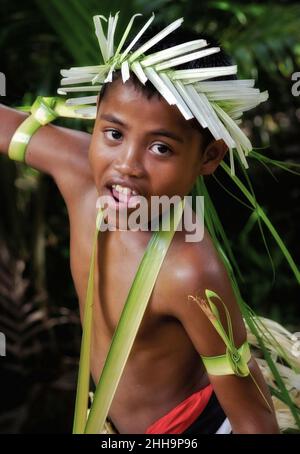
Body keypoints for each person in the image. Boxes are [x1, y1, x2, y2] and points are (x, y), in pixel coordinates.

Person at [0, 13, 280, 434]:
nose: (127, 165)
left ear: (209, 157)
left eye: (161, 147)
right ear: (95, 121)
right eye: (114, 134)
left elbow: (254, 418)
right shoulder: (77, 169)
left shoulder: (189, 270)